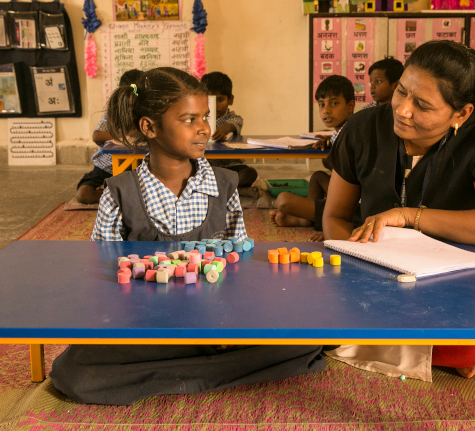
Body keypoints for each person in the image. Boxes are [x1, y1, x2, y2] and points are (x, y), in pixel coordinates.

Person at [50, 67, 326, 405]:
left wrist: (231, 319)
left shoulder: (225, 185)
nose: (204, 128)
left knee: (308, 336)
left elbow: (237, 267)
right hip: (146, 326)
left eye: (205, 117)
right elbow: (103, 278)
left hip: (214, 324)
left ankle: (179, 374)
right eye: (189, 119)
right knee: (73, 371)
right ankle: (210, 372)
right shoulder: (119, 193)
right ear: (149, 127)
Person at [322, 40, 475, 381]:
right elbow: (335, 216)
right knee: (309, 313)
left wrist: (407, 215)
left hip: (453, 287)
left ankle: (399, 343)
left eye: (423, 105)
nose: (402, 109)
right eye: (401, 92)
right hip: (373, 282)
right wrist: (357, 273)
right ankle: (430, 350)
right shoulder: (362, 129)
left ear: (460, 114)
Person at [270, 75, 355, 242]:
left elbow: (336, 166)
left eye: (334, 103)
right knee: (317, 177)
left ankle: (325, 222)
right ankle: (305, 218)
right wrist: (329, 142)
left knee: (283, 200)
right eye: (322, 104)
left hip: (351, 206)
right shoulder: (341, 131)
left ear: (350, 106)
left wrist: (331, 230)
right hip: (342, 193)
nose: (326, 110)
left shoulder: (351, 134)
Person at [76, 69, 143, 204]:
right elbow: (96, 136)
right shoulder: (112, 114)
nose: (131, 107)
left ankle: (120, 193)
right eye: (127, 102)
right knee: (83, 194)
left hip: (137, 168)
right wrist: (124, 134)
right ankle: (121, 194)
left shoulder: (147, 114)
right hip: (106, 167)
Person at [200, 72, 260, 198]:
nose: (215, 105)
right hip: (208, 166)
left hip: (232, 167)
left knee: (250, 173)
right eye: (209, 100)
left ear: (230, 100)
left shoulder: (232, 118)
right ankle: (238, 191)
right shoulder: (199, 118)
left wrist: (225, 129)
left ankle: (223, 191)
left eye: (220, 100)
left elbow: (235, 123)